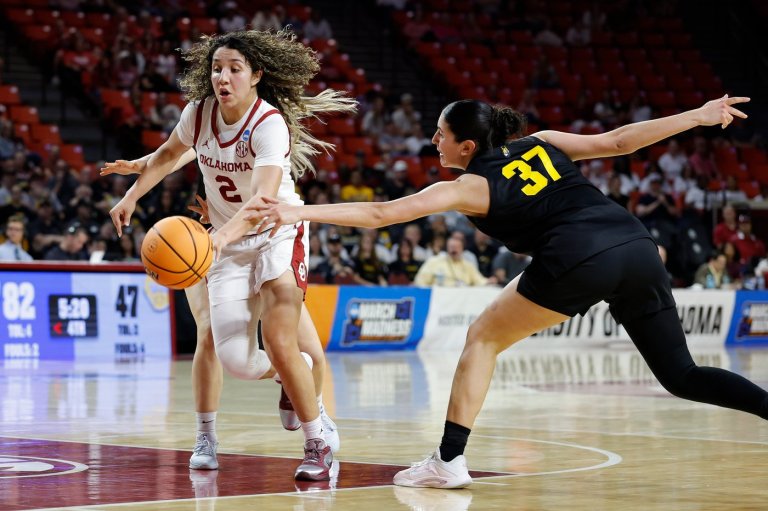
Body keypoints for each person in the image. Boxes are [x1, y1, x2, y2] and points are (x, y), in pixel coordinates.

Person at [245, 94, 768, 489]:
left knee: (483, 338)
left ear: (466, 147)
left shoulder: (469, 187)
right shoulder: (541, 142)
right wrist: (696, 115)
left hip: (577, 255)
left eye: (440, 134)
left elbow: (382, 215)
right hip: (634, 242)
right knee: (683, 375)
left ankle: (449, 461)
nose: (434, 141)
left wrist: (296, 210)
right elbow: (618, 141)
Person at [107, 29, 354, 481]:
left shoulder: (268, 123)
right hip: (225, 241)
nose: (223, 77)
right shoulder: (198, 115)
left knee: (280, 338)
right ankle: (288, 372)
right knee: (238, 361)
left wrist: (218, 240)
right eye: (217, 68)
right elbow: (166, 156)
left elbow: (261, 202)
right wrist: (131, 197)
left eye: (234, 69)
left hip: (277, 232)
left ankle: (316, 443)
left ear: (256, 75)